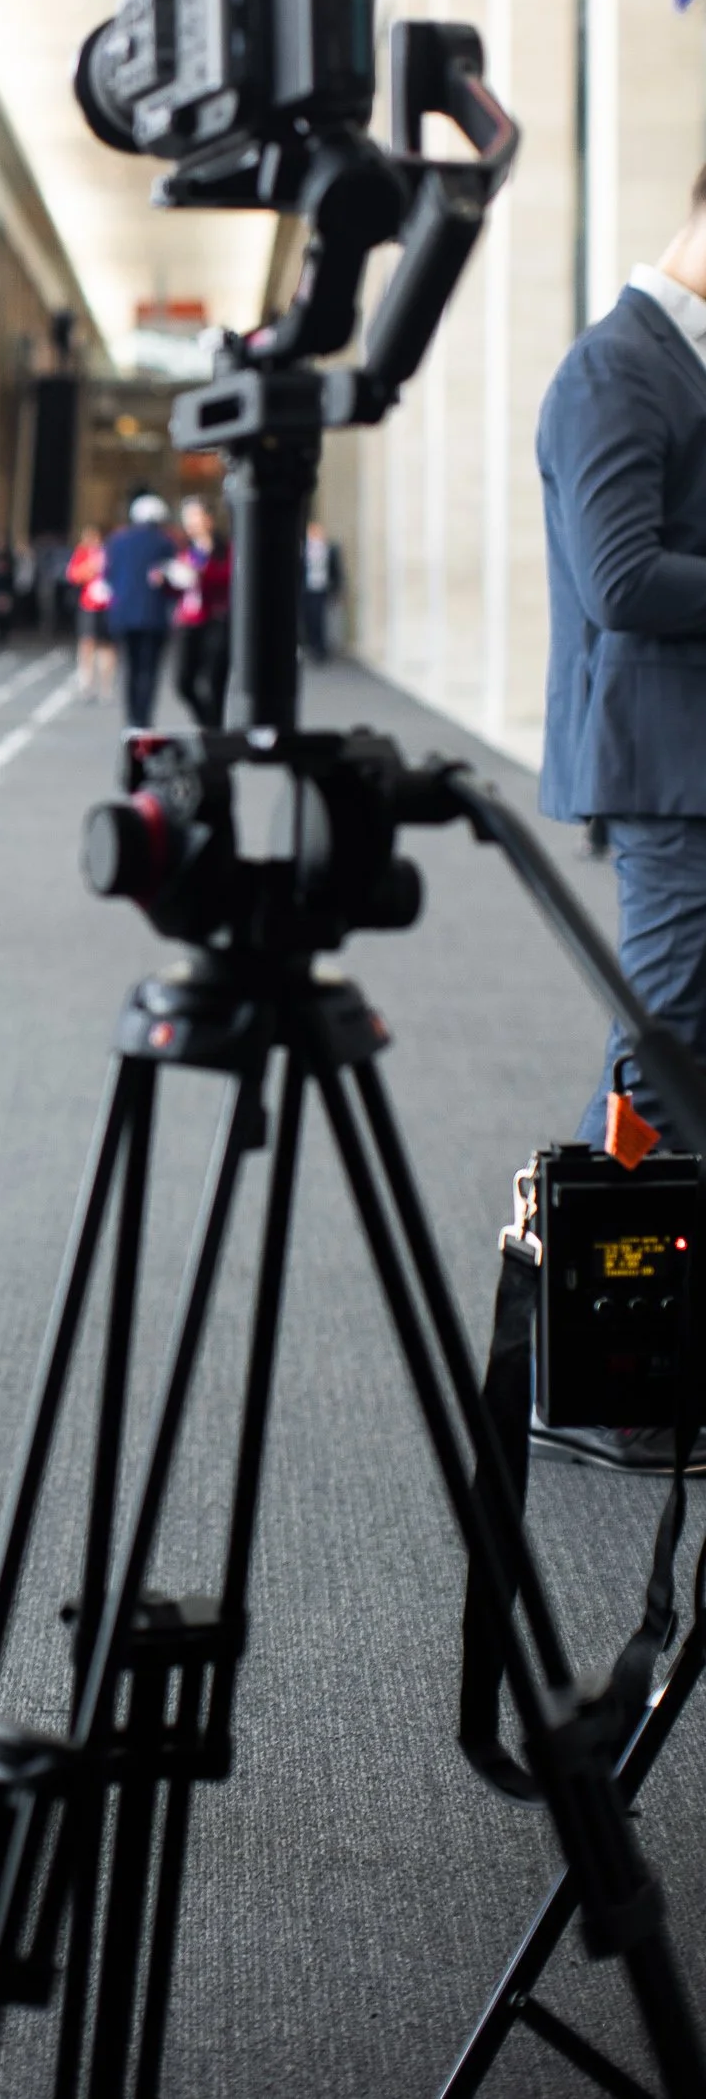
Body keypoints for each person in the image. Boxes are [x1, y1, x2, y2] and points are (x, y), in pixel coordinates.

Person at [535, 169, 706, 1472]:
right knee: (664, 1041)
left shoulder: (671, 363)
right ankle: (608, 1375)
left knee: (666, 1035)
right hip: (664, 765)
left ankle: (629, 1345)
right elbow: (623, 578)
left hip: (686, 758)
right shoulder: (619, 366)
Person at [105, 493, 177, 728]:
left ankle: (132, 717)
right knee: (148, 670)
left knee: (130, 668)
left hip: (123, 614)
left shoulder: (117, 541)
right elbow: (172, 578)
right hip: (154, 616)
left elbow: (109, 575)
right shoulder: (165, 542)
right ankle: (143, 718)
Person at [167, 497, 232, 728]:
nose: (191, 523)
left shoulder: (225, 550)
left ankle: (215, 729)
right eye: (187, 518)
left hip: (215, 620)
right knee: (183, 683)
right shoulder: (186, 551)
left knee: (215, 680)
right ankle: (210, 725)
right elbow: (180, 588)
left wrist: (202, 574)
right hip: (188, 621)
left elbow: (229, 579)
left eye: (195, 516)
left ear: (208, 519)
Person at [65, 523, 112, 699]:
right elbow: (73, 576)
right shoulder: (82, 553)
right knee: (87, 642)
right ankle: (86, 681)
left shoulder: (110, 553)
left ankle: (106, 685)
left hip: (108, 605)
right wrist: (90, 569)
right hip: (89, 604)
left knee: (107, 645)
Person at [301, 520, 343, 663]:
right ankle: (312, 644)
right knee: (310, 618)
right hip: (308, 590)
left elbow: (336, 570)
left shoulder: (330, 549)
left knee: (320, 618)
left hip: (322, 589)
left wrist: (337, 589)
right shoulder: (305, 549)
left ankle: (321, 648)